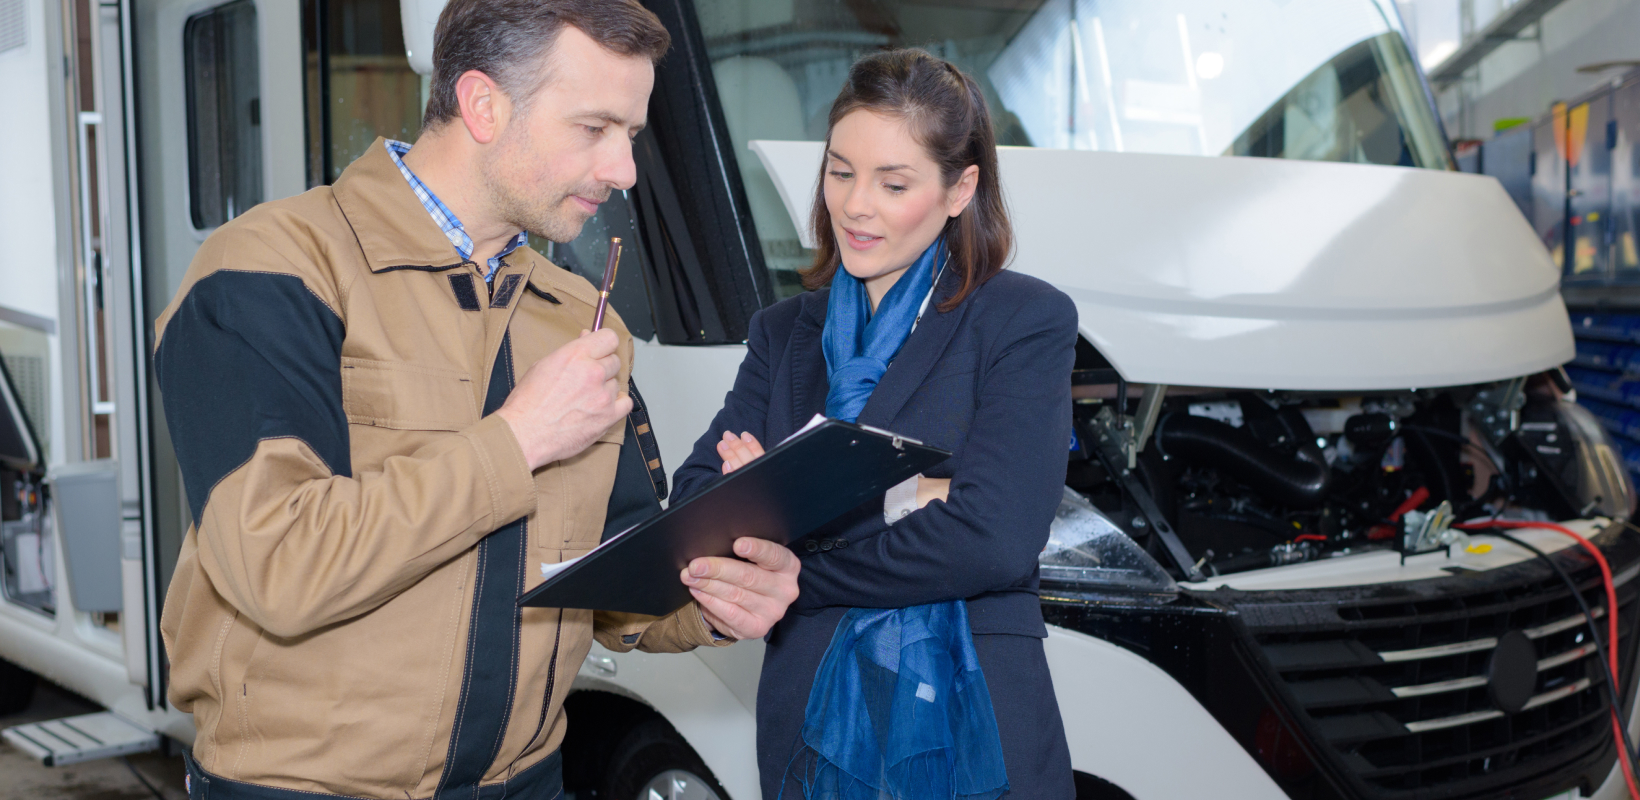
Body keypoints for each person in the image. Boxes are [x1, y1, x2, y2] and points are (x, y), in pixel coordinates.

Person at [151, 2, 798, 798]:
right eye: (594, 129)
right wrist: (517, 440)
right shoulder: (270, 271)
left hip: (527, 783)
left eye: (630, 135)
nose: (624, 171)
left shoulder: (577, 315)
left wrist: (717, 596)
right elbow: (280, 567)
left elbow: (609, 578)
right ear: (483, 105)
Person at [671, 50, 1077, 799]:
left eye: (893, 183)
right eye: (839, 171)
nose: (855, 205)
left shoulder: (1022, 320)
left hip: (982, 715)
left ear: (960, 189)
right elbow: (695, 507)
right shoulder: (783, 333)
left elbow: (993, 536)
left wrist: (794, 553)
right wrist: (913, 497)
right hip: (807, 724)